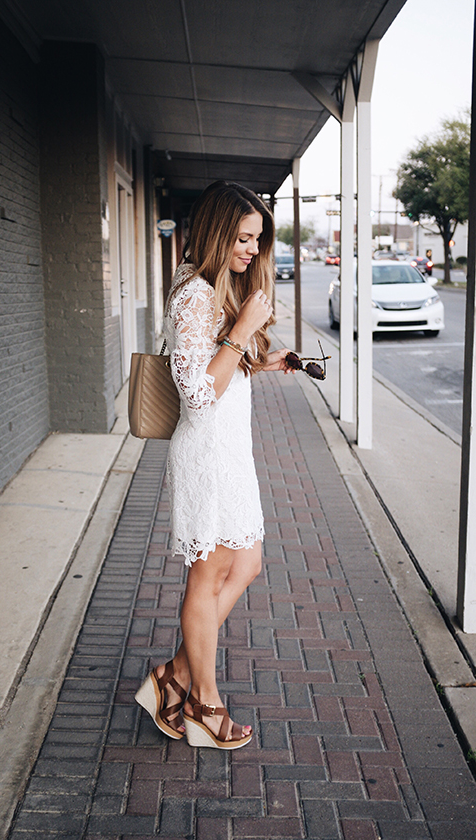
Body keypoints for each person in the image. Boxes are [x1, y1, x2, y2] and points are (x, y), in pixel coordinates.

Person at [135, 181, 295, 750]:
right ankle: (204, 702)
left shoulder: (215, 290)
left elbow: (218, 377)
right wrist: (241, 331)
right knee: (207, 576)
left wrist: (262, 362)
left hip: (231, 452)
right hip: (206, 454)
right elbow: (197, 398)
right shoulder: (194, 296)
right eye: (244, 237)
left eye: (258, 240)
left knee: (245, 565)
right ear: (216, 230)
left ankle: (172, 674)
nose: (252, 250)